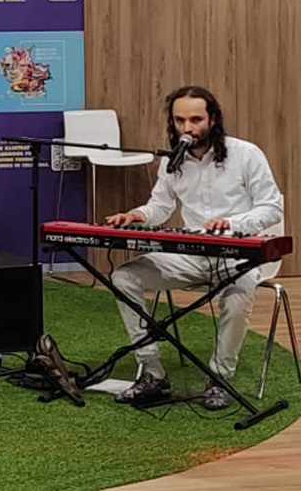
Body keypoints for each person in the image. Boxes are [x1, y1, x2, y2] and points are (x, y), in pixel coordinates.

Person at [102, 86, 284, 411]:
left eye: (196, 119)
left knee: (240, 288)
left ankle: (219, 377)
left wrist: (231, 223)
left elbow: (272, 207)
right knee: (124, 278)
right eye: (180, 120)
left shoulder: (246, 154)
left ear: (212, 119)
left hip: (237, 255)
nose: (188, 128)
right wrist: (137, 216)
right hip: (190, 255)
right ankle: (153, 373)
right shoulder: (174, 162)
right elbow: (159, 205)